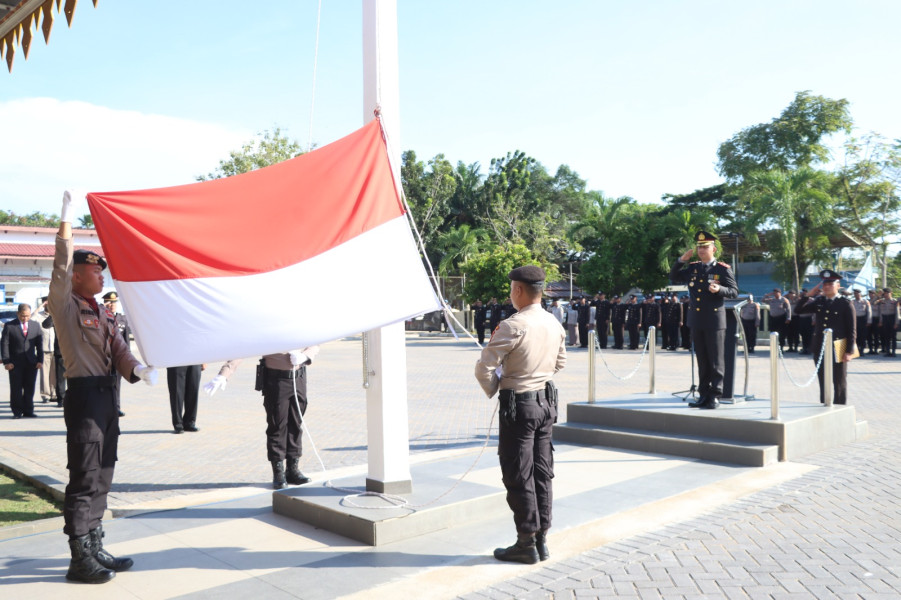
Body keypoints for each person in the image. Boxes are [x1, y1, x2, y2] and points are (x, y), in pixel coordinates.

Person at [49, 191, 157, 584]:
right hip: (85, 397)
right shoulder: (65, 304)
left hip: (109, 397)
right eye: (95, 271)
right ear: (77, 275)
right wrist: (66, 218)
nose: (101, 276)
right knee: (84, 477)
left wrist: (139, 370)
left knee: (104, 474)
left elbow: (118, 348)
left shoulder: (103, 312)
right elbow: (59, 264)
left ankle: (95, 544)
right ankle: (79, 557)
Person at [474, 265, 565, 565]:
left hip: (520, 406)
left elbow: (484, 368)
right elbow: (560, 363)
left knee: (519, 472)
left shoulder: (513, 325)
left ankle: (526, 542)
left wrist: (500, 386)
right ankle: (542, 539)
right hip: (545, 403)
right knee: (542, 472)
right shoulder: (554, 322)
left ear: (518, 290)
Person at [206, 346, 319, 489]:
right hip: (277, 380)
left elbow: (316, 340)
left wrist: (306, 355)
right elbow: (244, 347)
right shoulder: (267, 325)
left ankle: (293, 468)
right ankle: (278, 472)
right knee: (277, 425)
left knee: (296, 424)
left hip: (299, 378)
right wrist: (224, 374)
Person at [669, 231, 738, 409]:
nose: (701, 249)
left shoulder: (722, 269)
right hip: (697, 319)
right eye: (699, 247)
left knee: (715, 360)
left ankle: (715, 395)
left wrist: (720, 289)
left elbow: (733, 291)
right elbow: (674, 276)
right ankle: (703, 394)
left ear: (713, 249)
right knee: (702, 360)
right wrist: (681, 260)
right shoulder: (693, 268)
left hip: (714, 320)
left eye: (705, 247)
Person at [794, 270, 856, 404]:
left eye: (830, 284)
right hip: (820, 346)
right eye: (824, 284)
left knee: (839, 380)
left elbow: (851, 329)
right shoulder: (819, 301)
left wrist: (849, 351)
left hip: (839, 345)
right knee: (823, 379)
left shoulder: (845, 303)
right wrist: (807, 296)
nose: (827, 287)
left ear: (838, 285)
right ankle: (824, 406)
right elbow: (798, 311)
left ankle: (840, 407)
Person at [1, 303, 43, 418]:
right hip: (15, 363)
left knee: (30, 387)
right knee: (16, 388)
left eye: (28, 316)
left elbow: (39, 345)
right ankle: (17, 411)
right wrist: (6, 361)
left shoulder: (35, 326)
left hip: (31, 363)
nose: (25, 318)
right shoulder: (10, 326)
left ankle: (28, 410)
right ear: (18, 314)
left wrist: (40, 360)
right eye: (23, 316)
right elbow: (4, 344)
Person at [102, 291, 130, 417]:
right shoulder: (101, 317)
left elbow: (126, 342)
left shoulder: (122, 319)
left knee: (117, 383)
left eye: (114, 302)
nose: (112, 305)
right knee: (105, 383)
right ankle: (105, 406)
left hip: (117, 358)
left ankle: (116, 407)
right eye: (109, 302)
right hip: (104, 358)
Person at [167, 364, 204, 433]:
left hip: (195, 360)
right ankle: (178, 424)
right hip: (176, 360)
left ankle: (190, 423)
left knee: (193, 389)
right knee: (177, 393)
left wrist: (204, 360)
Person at [41, 313, 66, 406]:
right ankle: (61, 399)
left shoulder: (74, 313)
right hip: (60, 351)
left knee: (74, 377)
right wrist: (53, 313)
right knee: (60, 378)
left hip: (74, 352)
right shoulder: (57, 315)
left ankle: (73, 398)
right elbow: (45, 325)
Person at [36, 297, 57, 404]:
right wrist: (39, 307)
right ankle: (45, 394)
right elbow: (29, 319)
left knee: (54, 373)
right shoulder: (39, 317)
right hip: (44, 349)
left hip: (55, 349)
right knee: (44, 373)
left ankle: (54, 393)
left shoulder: (57, 316)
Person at [877, 288, 899, 357]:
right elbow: (881, 312)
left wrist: (896, 323)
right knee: (886, 336)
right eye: (885, 293)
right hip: (885, 319)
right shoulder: (882, 301)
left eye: (887, 293)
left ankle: (893, 352)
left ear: (891, 293)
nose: (886, 295)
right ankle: (888, 351)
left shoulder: (895, 302)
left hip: (892, 319)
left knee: (893, 336)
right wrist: (880, 321)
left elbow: (897, 313)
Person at [851, 289, 871, 356]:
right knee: (856, 336)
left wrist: (869, 321)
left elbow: (869, 311)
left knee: (863, 336)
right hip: (855, 320)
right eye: (855, 293)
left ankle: (862, 350)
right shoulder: (852, 302)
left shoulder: (865, 301)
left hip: (863, 320)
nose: (856, 295)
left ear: (860, 294)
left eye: (857, 293)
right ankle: (857, 350)